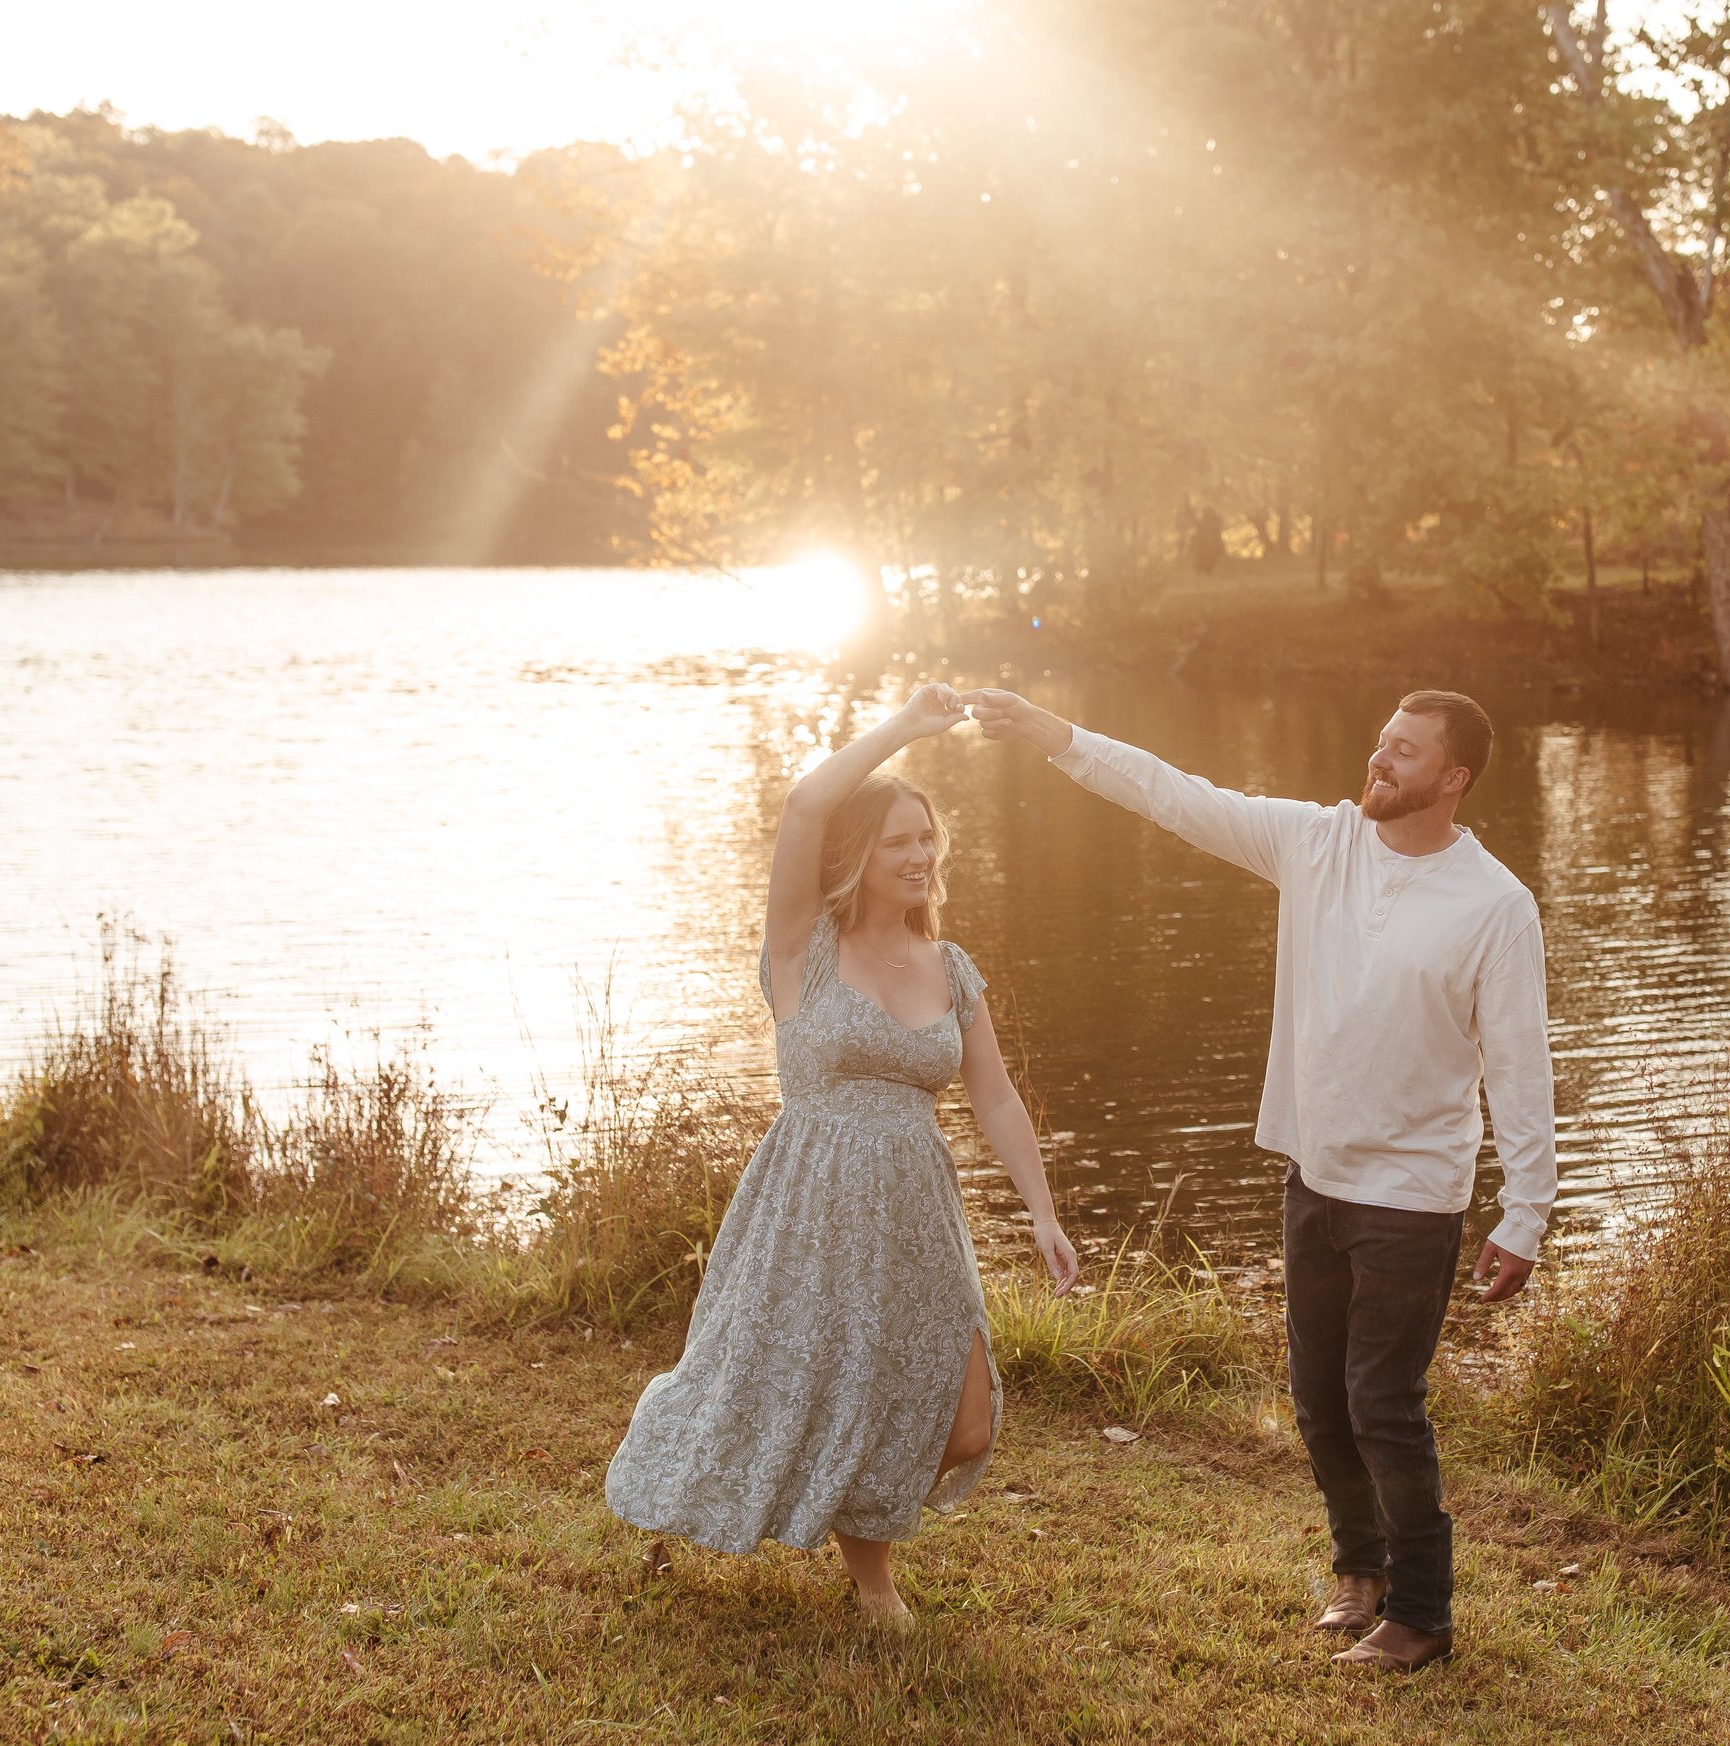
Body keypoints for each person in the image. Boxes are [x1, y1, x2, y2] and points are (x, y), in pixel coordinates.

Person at [968, 686, 1555, 1673]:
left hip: (1413, 1194)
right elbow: (1173, 794)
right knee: (1318, 1399)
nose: (1380, 759)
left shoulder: (1495, 905)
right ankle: (1359, 1571)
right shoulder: (1315, 843)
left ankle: (1422, 1612)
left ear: (1454, 778)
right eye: (1381, 740)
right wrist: (1048, 731)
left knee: (1382, 1403)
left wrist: (1526, 1211)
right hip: (1312, 1175)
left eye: (1405, 751)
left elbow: (1520, 1065)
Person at [606, 682, 1080, 1629]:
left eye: (927, 838)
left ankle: (839, 1507)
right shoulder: (803, 950)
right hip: (810, 1207)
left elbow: (993, 1096)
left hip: (917, 1215)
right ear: (858, 855)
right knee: (784, 1388)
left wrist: (1042, 1211)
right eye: (898, 840)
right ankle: (872, 1583)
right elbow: (804, 805)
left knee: (964, 1419)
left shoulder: (951, 968)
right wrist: (905, 727)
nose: (919, 855)